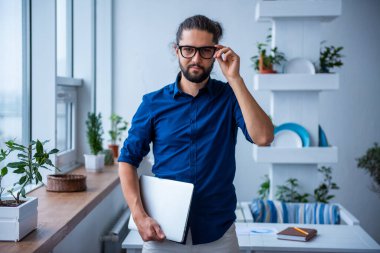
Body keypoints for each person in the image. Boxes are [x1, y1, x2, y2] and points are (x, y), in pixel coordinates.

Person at [118, 15, 274, 253]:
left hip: (219, 235)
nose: (196, 59)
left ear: (217, 52)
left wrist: (235, 78)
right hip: (163, 234)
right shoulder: (152, 103)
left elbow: (263, 137)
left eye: (205, 51)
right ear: (176, 50)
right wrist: (139, 216)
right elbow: (127, 160)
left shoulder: (230, 98)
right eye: (188, 50)